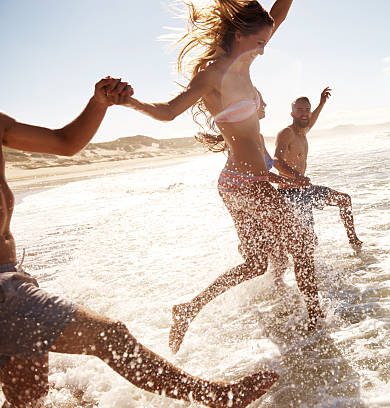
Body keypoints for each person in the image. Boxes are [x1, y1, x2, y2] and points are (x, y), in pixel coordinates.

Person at [0, 78, 277, 408]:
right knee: (108, 335)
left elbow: (65, 142)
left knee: (27, 397)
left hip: (10, 273)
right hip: (4, 291)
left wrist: (98, 103)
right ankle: (218, 398)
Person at [120, 0, 324, 354]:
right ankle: (317, 322)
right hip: (243, 184)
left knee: (256, 263)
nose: (264, 49)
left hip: (245, 182)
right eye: (259, 42)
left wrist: (277, 173)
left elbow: (278, 15)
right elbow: (168, 111)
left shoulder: (246, 60)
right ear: (241, 34)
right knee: (302, 242)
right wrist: (128, 102)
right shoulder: (213, 74)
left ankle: (188, 309)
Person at [273, 87, 363, 260]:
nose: (305, 113)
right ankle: (294, 266)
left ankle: (354, 242)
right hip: (289, 194)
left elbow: (311, 119)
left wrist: (322, 102)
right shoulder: (287, 132)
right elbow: (276, 160)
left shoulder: (303, 132)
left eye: (307, 109)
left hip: (305, 190)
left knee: (344, 200)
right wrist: (297, 177)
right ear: (292, 114)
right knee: (309, 242)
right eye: (300, 110)